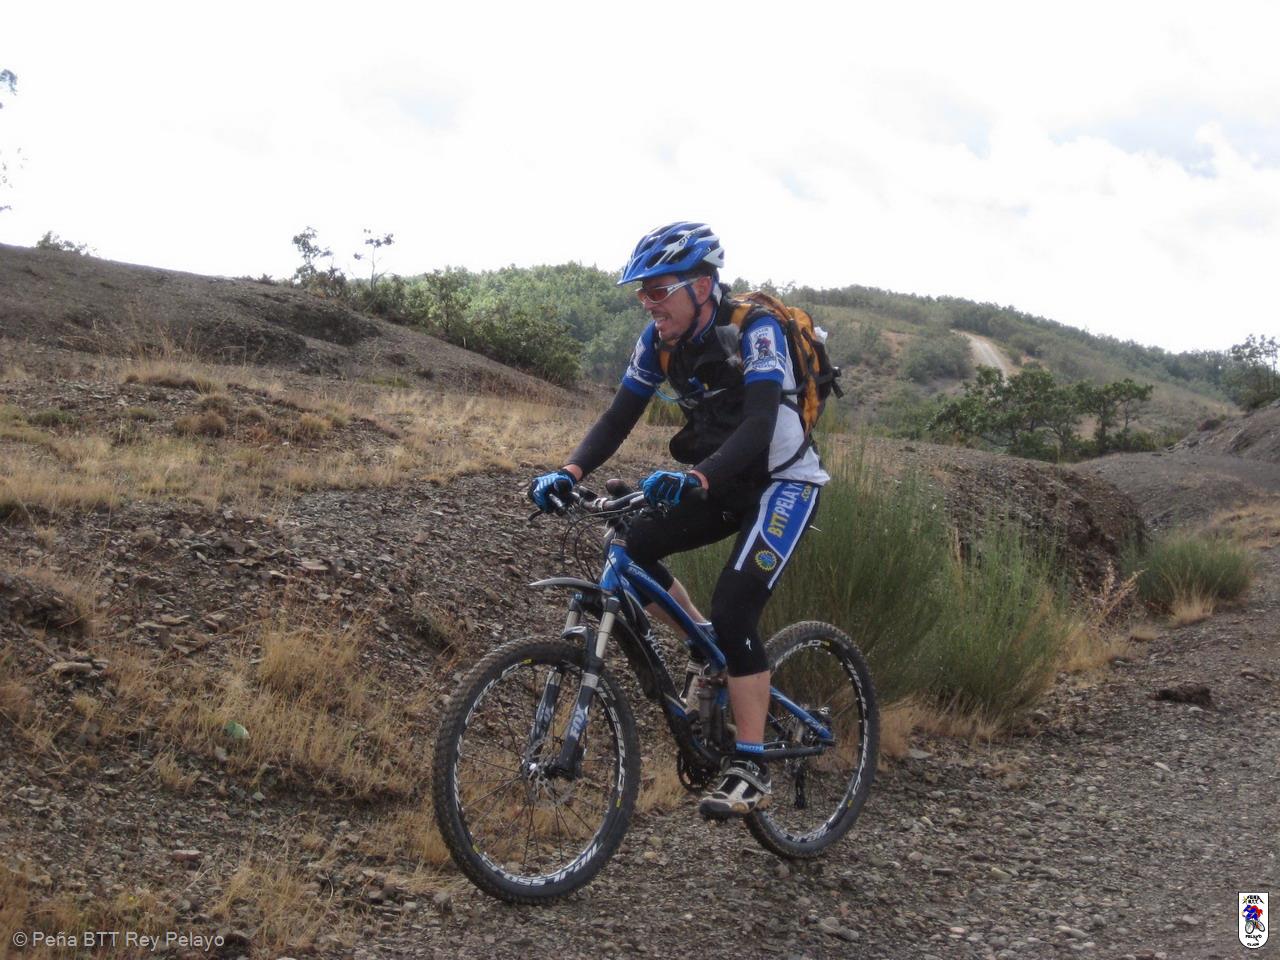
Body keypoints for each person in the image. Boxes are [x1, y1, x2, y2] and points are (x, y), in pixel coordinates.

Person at [527, 221, 829, 818]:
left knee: (736, 607)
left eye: (659, 289)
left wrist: (697, 478)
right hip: (719, 479)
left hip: (782, 483)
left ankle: (751, 764)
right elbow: (618, 417)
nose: (648, 302)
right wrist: (569, 471)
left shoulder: (755, 330)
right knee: (633, 546)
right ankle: (707, 650)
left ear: (703, 285)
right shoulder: (657, 342)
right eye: (642, 292)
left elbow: (759, 425)